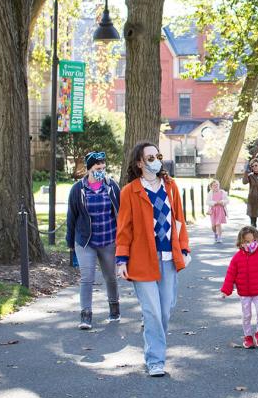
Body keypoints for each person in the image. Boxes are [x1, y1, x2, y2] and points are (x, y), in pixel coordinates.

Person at [116, 142, 190, 377]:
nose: (156, 160)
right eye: (150, 157)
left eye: (157, 155)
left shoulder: (171, 187)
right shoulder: (130, 191)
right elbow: (124, 229)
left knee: (165, 310)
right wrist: (121, 260)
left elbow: (179, 220)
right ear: (139, 163)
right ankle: (155, 360)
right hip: (141, 259)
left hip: (169, 258)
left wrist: (184, 249)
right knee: (153, 312)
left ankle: (153, 341)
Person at [66, 151, 121, 329]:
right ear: (89, 169)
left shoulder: (111, 186)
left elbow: (120, 212)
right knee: (86, 278)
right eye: (98, 168)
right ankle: (86, 315)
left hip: (108, 239)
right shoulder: (77, 189)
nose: (101, 171)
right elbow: (71, 217)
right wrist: (70, 245)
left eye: (104, 168)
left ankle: (114, 307)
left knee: (110, 277)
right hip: (85, 240)